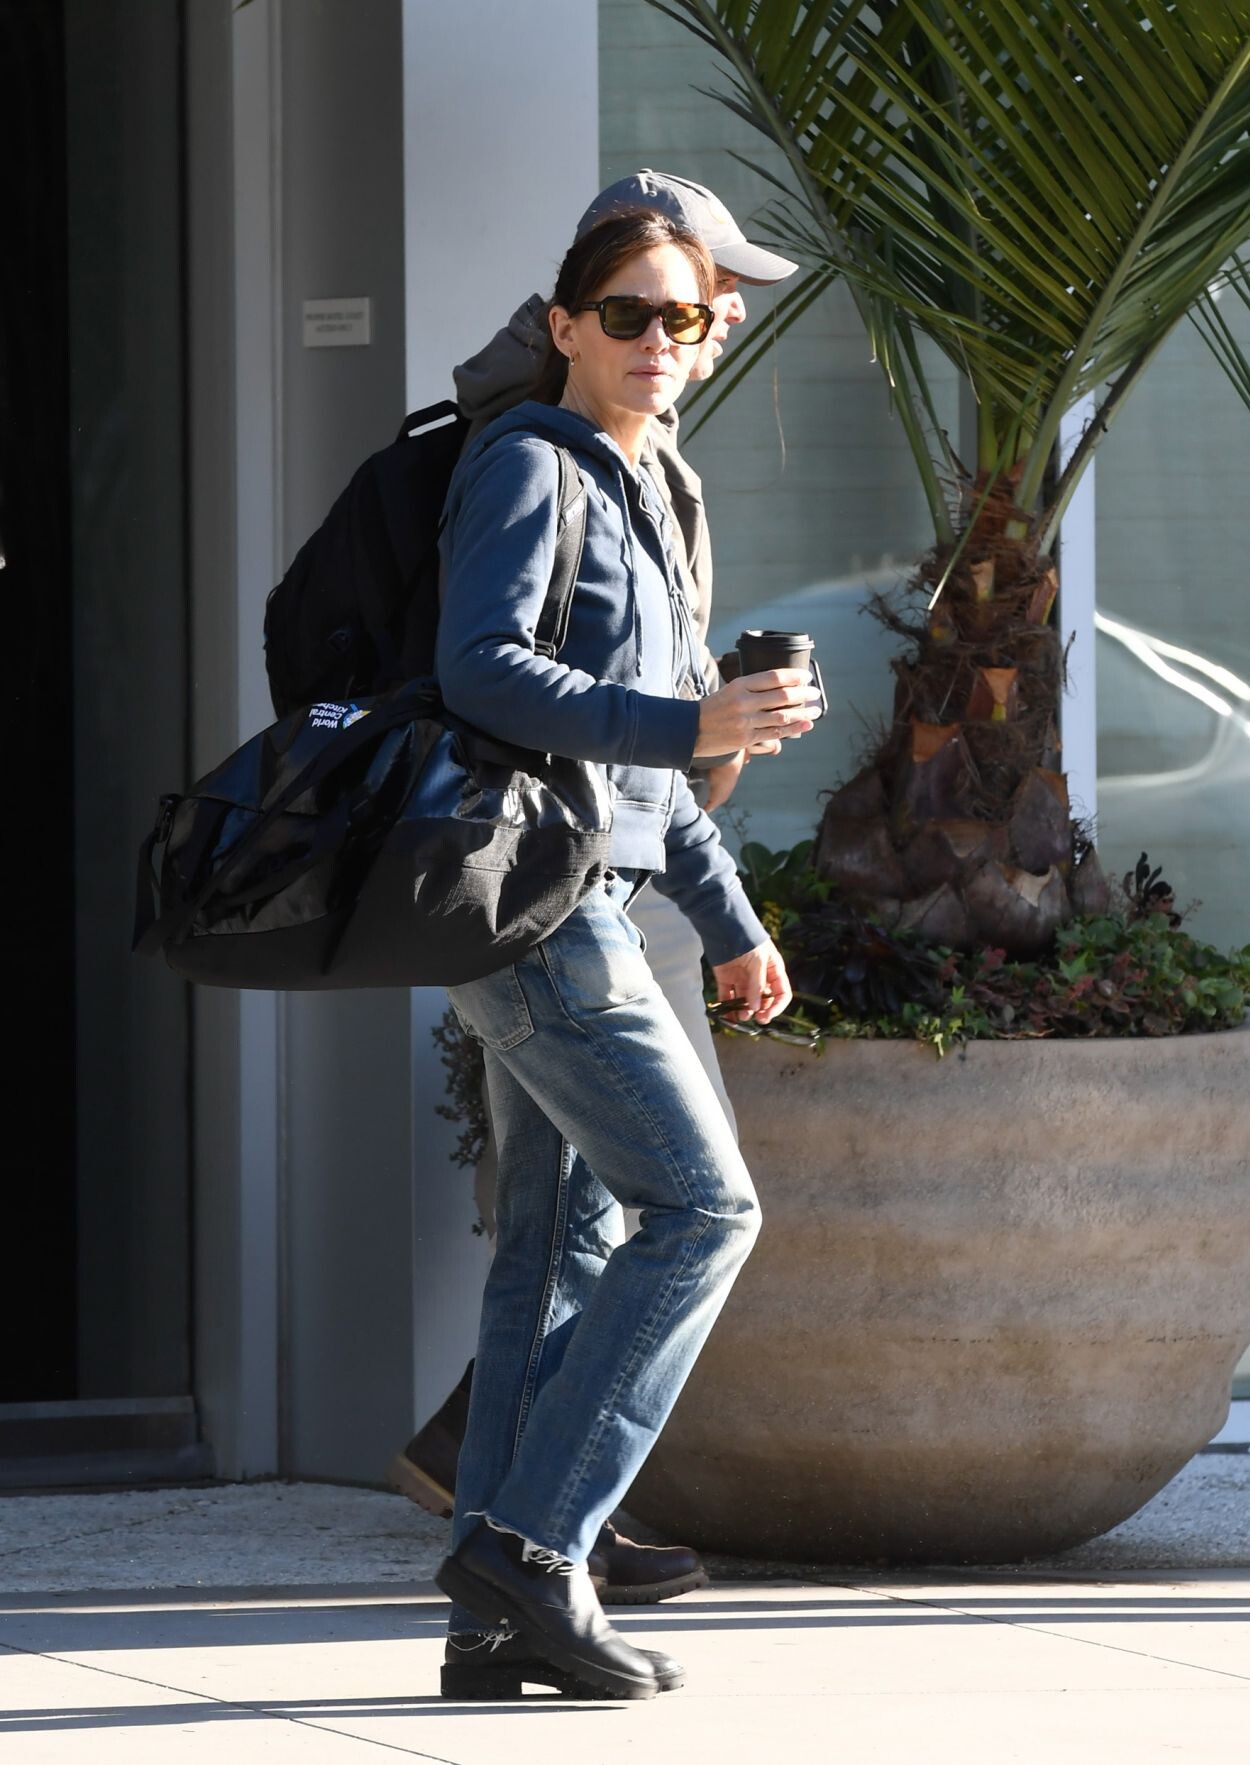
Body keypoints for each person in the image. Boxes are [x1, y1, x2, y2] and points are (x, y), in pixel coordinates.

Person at [390, 172, 799, 1609]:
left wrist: (733, 921)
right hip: (539, 904)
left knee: (557, 1246)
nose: (661, 340)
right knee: (705, 1210)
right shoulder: (531, 462)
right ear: (565, 326)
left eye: (682, 319)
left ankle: (494, 1601)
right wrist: (691, 721)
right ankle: (536, 1546)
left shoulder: (641, 486)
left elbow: (645, 770)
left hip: (602, 888)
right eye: (629, 315)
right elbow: (481, 670)